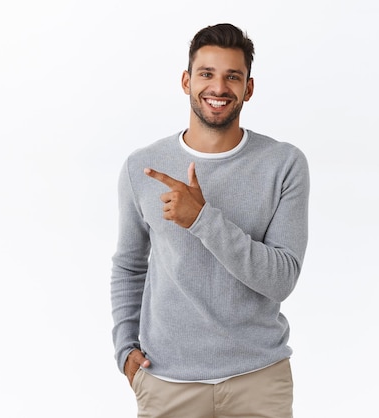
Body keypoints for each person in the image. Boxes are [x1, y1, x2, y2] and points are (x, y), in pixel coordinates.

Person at [110, 23, 309, 418]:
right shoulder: (141, 167)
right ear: (186, 81)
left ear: (248, 88)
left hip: (259, 379)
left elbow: (282, 279)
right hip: (167, 381)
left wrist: (201, 219)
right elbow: (129, 266)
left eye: (232, 76)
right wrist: (125, 351)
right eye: (206, 74)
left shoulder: (284, 165)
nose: (218, 87)